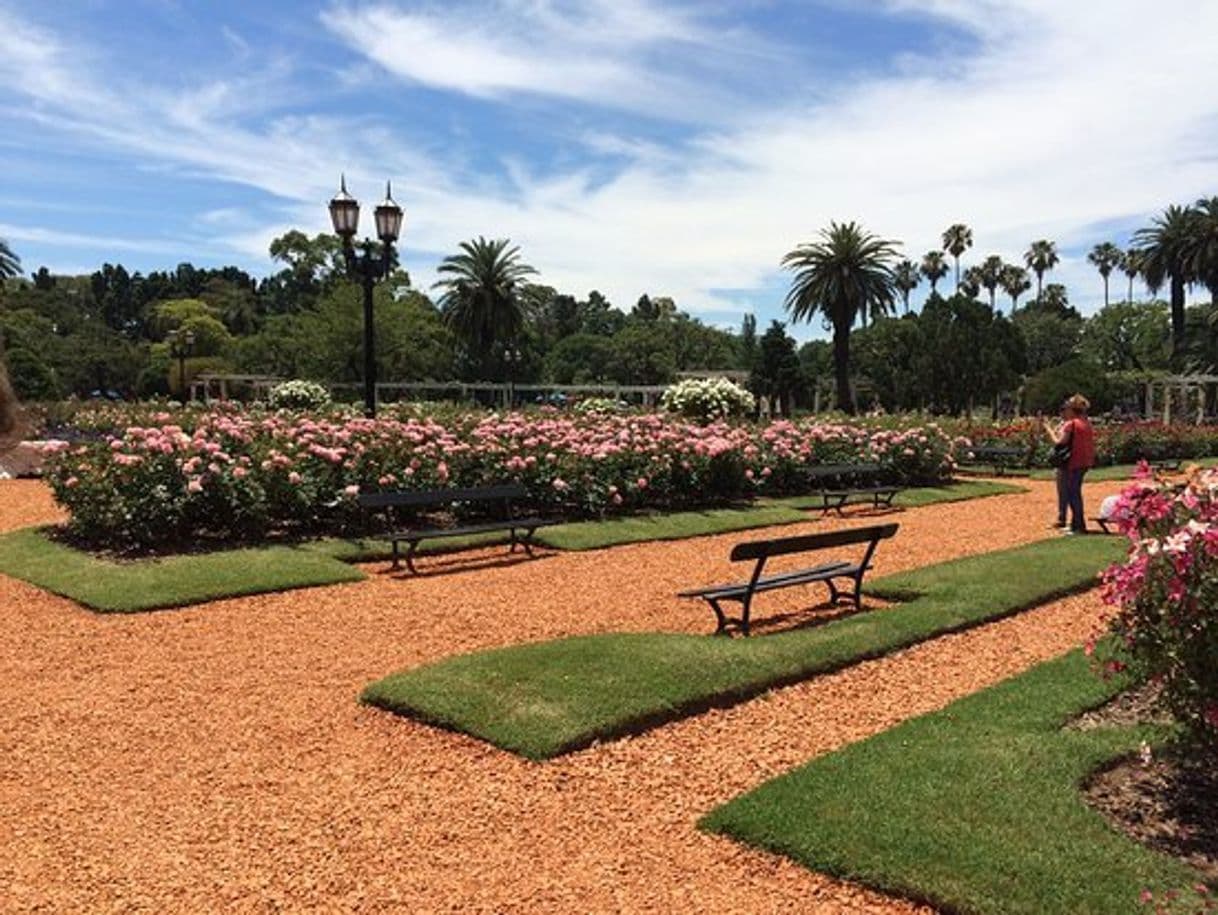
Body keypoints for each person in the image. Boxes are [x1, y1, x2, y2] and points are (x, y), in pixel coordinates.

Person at [1043, 394, 1095, 534]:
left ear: (1072, 409)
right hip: (1084, 461)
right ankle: (1075, 524)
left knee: (1073, 494)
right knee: (1075, 492)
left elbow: (1060, 442)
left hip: (1073, 462)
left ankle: (1078, 526)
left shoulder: (1071, 424)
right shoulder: (1086, 423)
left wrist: (1048, 429)